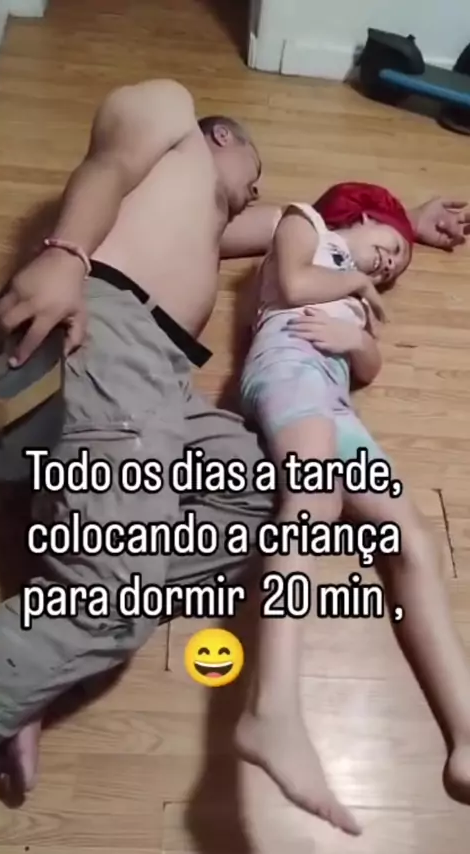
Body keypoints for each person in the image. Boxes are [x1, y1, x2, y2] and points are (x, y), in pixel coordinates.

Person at [0, 78, 469, 819]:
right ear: (223, 138)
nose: (257, 191)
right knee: (113, 597)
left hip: (163, 386)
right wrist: (66, 253)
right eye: (256, 173)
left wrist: (407, 218)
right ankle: (61, 636)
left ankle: (45, 648)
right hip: (104, 329)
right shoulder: (174, 119)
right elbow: (111, 162)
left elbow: (319, 228)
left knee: (280, 499)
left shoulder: (214, 220)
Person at [238, 181, 470, 834]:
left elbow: (368, 367)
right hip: (286, 368)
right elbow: (291, 282)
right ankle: (271, 707)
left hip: (334, 399)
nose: (389, 265)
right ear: (362, 215)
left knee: (410, 537)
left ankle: (466, 730)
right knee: (315, 494)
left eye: (396, 265)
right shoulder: (306, 225)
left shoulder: (355, 294)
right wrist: (355, 283)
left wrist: (355, 339)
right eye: (389, 246)